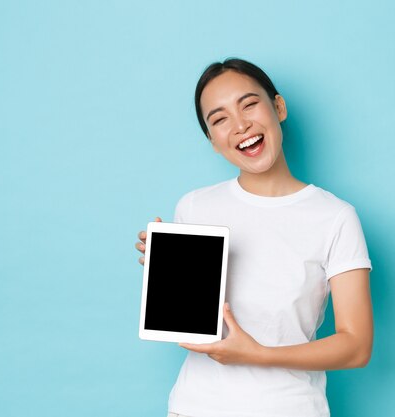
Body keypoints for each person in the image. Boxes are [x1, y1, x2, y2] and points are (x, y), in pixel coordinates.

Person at [135, 58, 373, 417]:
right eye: (219, 119)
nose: (240, 124)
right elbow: (190, 322)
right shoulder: (195, 207)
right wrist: (167, 277)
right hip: (194, 407)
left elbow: (356, 346)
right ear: (213, 142)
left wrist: (259, 354)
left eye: (249, 104)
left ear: (278, 107)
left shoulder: (335, 217)